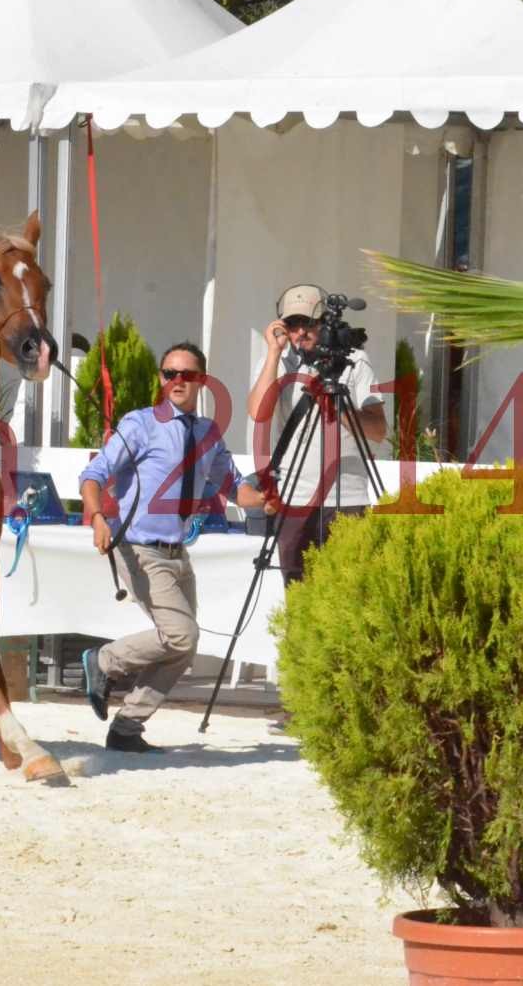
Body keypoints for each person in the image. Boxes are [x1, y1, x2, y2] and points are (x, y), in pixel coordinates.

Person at [78, 342, 240, 753]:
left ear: (202, 380)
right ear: (160, 378)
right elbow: (94, 474)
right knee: (181, 636)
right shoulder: (140, 424)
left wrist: (269, 495)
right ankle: (103, 661)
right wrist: (97, 516)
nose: (177, 381)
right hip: (138, 548)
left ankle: (127, 728)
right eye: (170, 373)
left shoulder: (208, 434)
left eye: (187, 374)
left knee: (181, 648)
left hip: (177, 553)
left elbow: (236, 488)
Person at [239, 284, 387, 586]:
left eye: (307, 323)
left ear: (322, 322)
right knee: (299, 596)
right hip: (295, 498)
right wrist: (272, 353)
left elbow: (378, 430)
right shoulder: (277, 362)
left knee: (351, 596)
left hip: (346, 497)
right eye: (292, 325)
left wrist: (336, 406)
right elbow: (258, 412)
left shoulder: (354, 359)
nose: (299, 333)